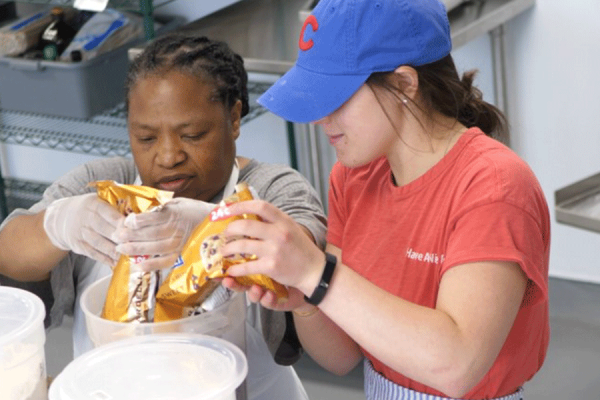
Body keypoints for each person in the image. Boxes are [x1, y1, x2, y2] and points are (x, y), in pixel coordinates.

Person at [218, 0, 550, 399]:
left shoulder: (493, 186)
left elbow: (457, 365)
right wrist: (304, 298)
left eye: (336, 96)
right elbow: (341, 357)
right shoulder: (354, 177)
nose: (320, 116)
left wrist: (316, 272)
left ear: (404, 85)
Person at [0, 33, 327, 400]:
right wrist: (57, 225)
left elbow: (305, 256)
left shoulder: (272, 187)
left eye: (192, 135)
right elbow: (9, 253)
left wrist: (212, 226)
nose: (169, 156)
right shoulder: (104, 185)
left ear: (233, 119)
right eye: (146, 138)